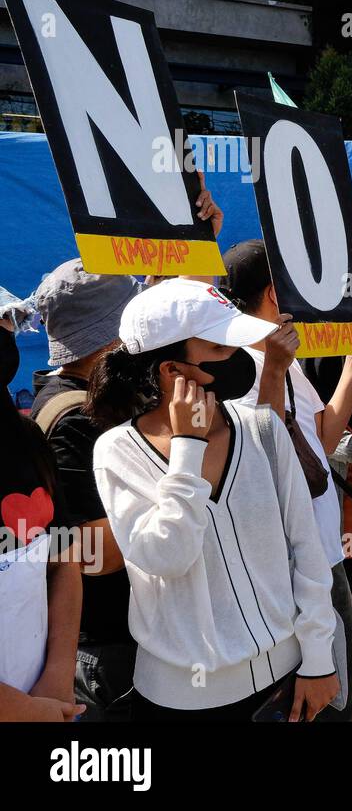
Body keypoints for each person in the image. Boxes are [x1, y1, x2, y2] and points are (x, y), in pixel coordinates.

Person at [86, 280, 339, 720]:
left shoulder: (263, 429)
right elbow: (166, 556)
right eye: (220, 348)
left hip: (286, 678)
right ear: (172, 371)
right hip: (183, 698)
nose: (239, 358)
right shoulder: (117, 451)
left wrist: (319, 658)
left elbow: (306, 549)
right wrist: (187, 449)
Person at [220, 239, 352, 722]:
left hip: (322, 553)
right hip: (288, 564)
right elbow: (261, 456)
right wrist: (273, 368)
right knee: (309, 700)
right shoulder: (238, 367)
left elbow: (324, 437)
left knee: (337, 692)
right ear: (275, 292)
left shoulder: (284, 361)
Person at [28, 260, 140, 721]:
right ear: (115, 338)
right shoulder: (75, 418)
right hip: (104, 644)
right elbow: (95, 555)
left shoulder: (82, 402)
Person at [0, 320, 84, 722]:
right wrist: (26, 710)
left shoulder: (26, 438)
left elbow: (65, 560)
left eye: (6, 328)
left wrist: (58, 673)